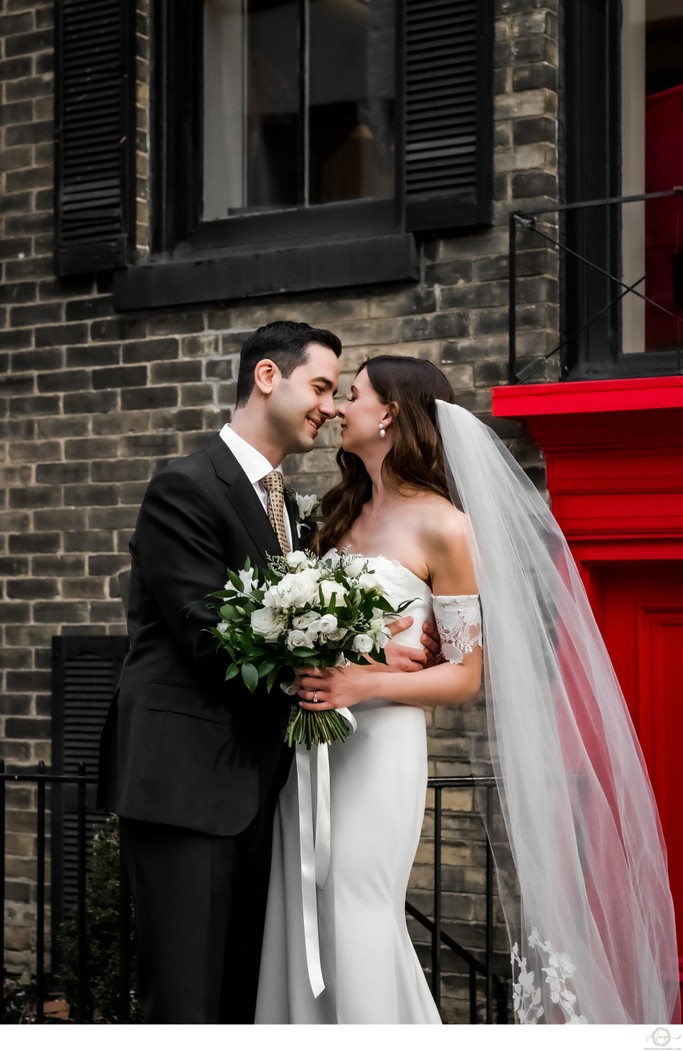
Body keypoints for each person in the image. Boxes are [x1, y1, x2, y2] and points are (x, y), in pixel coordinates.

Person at [255, 355, 680, 1025]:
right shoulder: (336, 516)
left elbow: (464, 673)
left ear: (389, 413)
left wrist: (364, 681)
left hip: (380, 745)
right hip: (314, 748)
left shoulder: (445, 527)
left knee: (355, 909)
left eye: (353, 395)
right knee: (303, 903)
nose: (337, 408)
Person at [97, 322, 437, 1024]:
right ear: (265, 379)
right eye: (319, 386)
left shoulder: (289, 506)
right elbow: (213, 634)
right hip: (186, 785)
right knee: (186, 1003)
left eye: (340, 392)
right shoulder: (185, 486)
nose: (329, 405)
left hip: (265, 789)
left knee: (237, 1003)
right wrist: (366, 656)